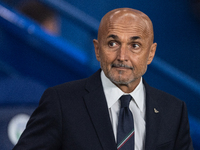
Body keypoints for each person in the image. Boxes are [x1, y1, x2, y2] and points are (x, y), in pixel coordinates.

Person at [13, 8, 193, 150]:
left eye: (135, 45)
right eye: (112, 44)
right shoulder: (60, 102)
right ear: (97, 50)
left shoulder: (174, 111)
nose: (122, 56)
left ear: (150, 53)